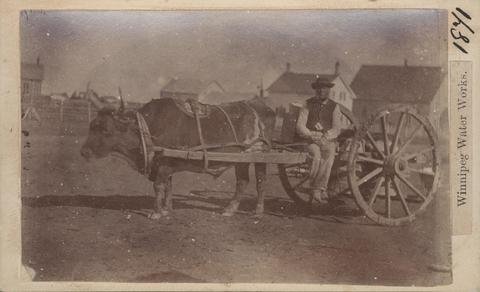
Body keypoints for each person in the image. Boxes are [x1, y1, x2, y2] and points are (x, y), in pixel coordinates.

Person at [296, 77, 343, 204]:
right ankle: (314, 187)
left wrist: (326, 136)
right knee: (316, 155)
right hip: (310, 140)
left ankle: (318, 188)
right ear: (315, 90)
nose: (322, 90)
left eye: (325, 88)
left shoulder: (334, 107)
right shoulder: (307, 104)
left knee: (329, 154)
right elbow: (300, 125)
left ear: (329, 90)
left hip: (327, 140)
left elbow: (337, 128)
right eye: (319, 88)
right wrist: (311, 135)